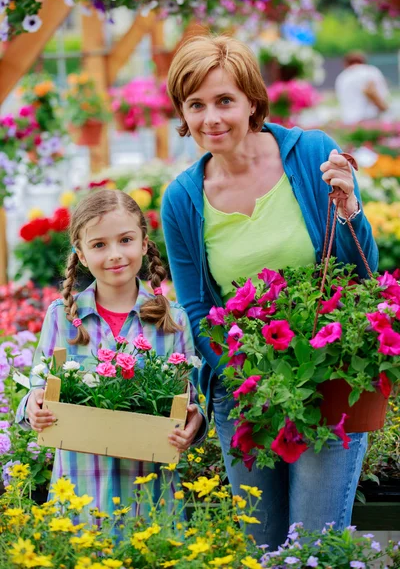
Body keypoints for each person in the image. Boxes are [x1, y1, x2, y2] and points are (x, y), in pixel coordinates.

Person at [161, 35, 379, 549]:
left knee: (313, 544)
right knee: (263, 547)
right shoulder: (183, 198)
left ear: (252, 101)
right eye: (196, 105)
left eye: (224, 101)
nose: (210, 118)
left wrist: (350, 211)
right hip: (244, 392)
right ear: (182, 113)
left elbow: (359, 271)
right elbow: (196, 307)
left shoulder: (309, 155)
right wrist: (246, 379)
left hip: (327, 376)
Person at [16, 188, 206, 521]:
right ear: (82, 254)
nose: (115, 254)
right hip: (79, 493)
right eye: (99, 245)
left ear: (144, 244)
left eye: (126, 240)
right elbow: (38, 387)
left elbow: (191, 400)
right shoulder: (62, 317)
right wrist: (33, 406)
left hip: (150, 495)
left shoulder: (172, 319)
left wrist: (194, 423)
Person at [335, 51, 389, 125]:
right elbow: (370, 91)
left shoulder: (342, 76)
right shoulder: (369, 71)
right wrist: (383, 108)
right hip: (369, 118)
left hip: (350, 121)